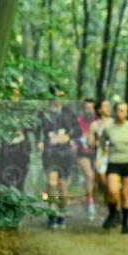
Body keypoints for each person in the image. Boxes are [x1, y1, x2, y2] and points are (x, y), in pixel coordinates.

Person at [99, 102, 128, 234]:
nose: (122, 113)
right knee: (112, 191)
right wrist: (102, 158)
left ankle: (125, 223)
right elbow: (102, 144)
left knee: (125, 193)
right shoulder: (109, 128)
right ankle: (114, 213)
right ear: (115, 111)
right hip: (114, 163)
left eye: (124, 111)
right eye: (119, 110)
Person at [38, 98, 81, 229]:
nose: (56, 100)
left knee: (62, 185)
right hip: (50, 153)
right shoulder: (43, 113)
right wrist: (39, 141)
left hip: (65, 154)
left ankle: (62, 213)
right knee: (51, 183)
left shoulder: (69, 112)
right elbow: (35, 129)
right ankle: (52, 212)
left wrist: (69, 137)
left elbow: (78, 131)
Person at [76, 98, 99, 221]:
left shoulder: (99, 122)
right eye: (86, 108)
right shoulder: (78, 122)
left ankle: (89, 196)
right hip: (82, 154)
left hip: (97, 154)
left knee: (94, 179)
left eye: (91, 108)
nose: (88, 110)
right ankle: (90, 204)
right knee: (89, 175)